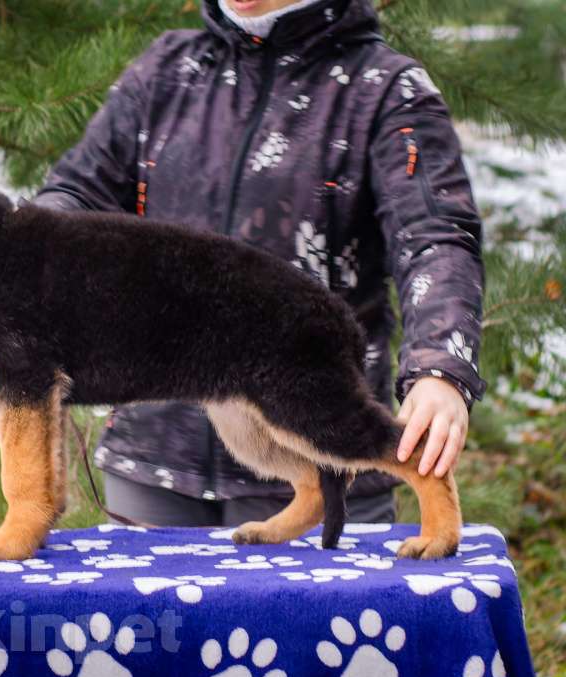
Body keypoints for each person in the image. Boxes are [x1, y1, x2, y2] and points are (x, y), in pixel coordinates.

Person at [32, 0, 485, 528]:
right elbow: (75, 194)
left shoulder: (384, 88)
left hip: (320, 452)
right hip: (153, 461)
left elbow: (434, 237)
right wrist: (15, 259)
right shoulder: (167, 69)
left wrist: (440, 369)